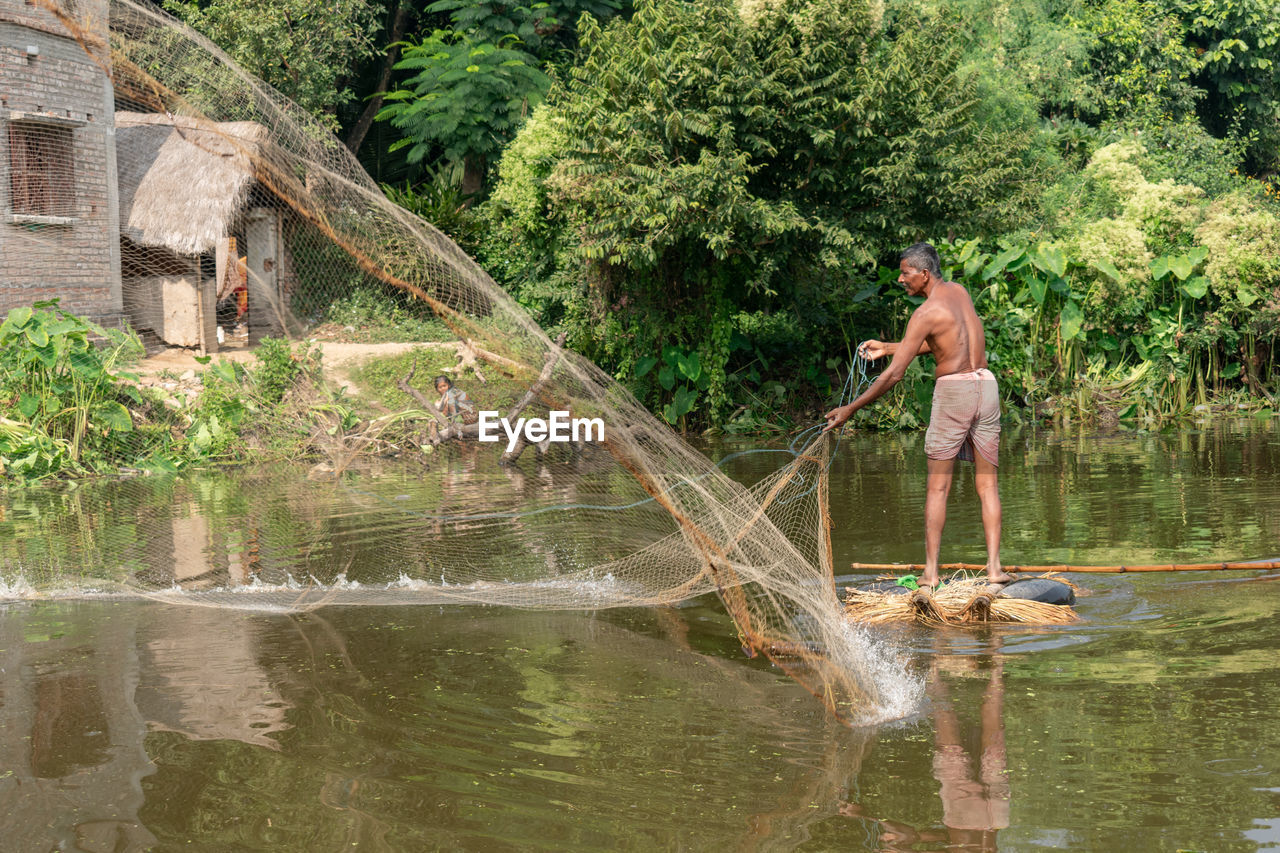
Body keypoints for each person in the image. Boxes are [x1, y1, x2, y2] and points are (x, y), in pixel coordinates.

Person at [823, 242, 1012, 590]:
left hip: (955, 391)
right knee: (987, 486)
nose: (900, 279)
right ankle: (995, 571)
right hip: (987, 386)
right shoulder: (959, 293)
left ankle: (930, 574)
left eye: (905, 272)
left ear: (924, 274)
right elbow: (945, 341)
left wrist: (850, 409)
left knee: (937, 488)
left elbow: (893, 375)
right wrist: (889, 347)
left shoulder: (924, 313)